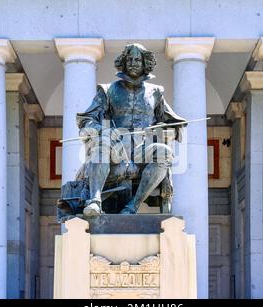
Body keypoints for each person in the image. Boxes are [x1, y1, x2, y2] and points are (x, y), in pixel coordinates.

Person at [76, 43, 186, 216]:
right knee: (102, 143)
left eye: (138, 59)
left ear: (145, 63)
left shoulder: (156, 92)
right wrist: (102, 130)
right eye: (130, 59)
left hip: (144, 149)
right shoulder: (107, 90)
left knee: (164, 152)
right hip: (116, 147)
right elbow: (86, 120)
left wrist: (166, 129)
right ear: (124, 63)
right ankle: (95, 201)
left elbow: (173, 123)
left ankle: (132, 206)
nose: (134, 63)